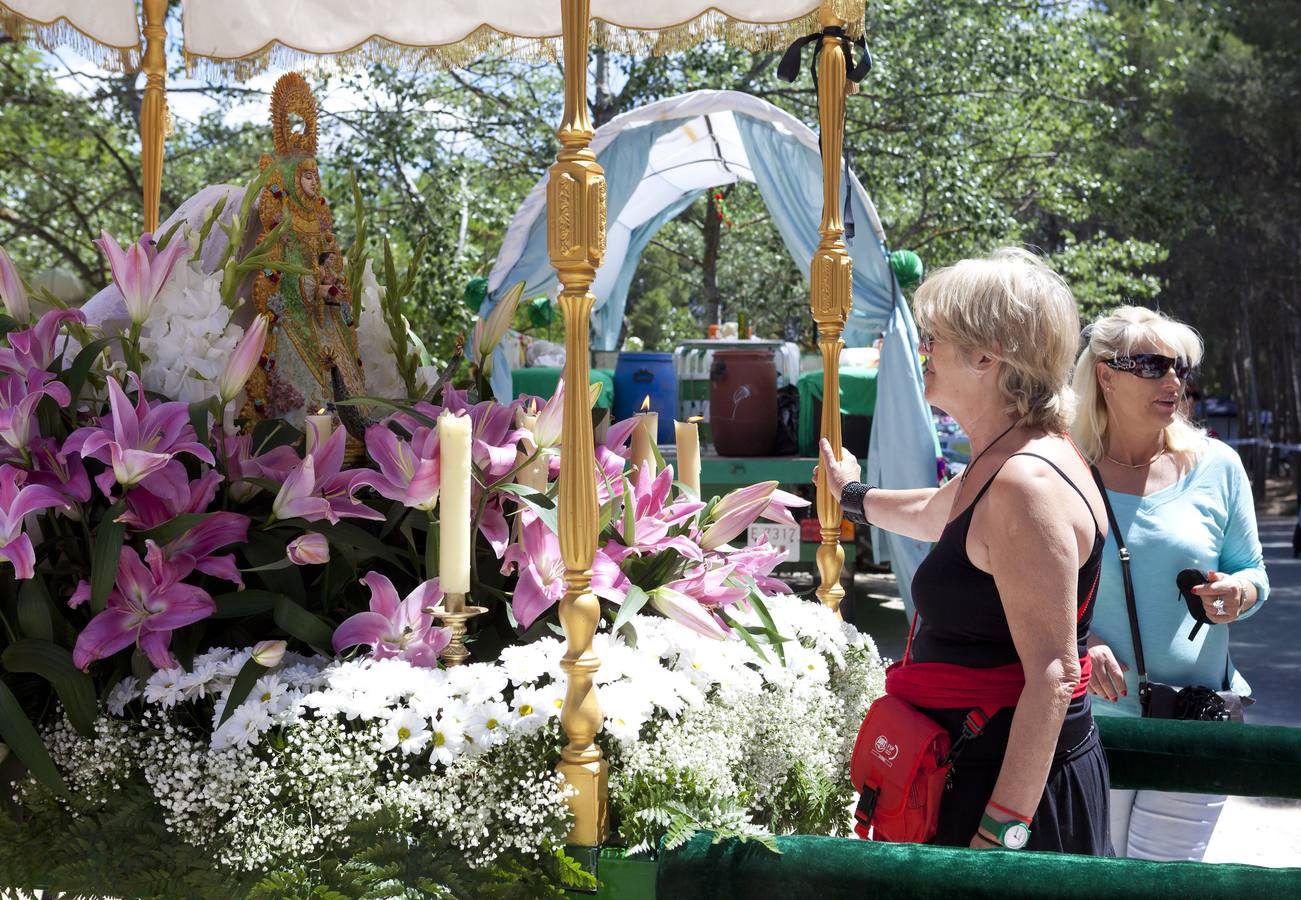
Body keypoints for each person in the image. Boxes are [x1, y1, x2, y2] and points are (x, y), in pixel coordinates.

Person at [820, 248, 1110, 854]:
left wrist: (997, 835)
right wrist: (852, 494)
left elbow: (1053, 676)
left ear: (987, 355)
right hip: (983, 766)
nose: (923, 350)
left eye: (935, 337)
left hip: (1003, 793)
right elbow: (936, 514)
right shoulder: (1012, 456)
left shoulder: (1024, 481)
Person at [1070, 305, 1270, 862]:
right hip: (1089, 724)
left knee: (1164, 881)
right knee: (1094, 878)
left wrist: (1240, 595)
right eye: (1154, 365)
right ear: (1106, 375)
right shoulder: (1061, 465)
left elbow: (1254, 573)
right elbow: (1021, 586)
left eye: (1179, 366)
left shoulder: (1219, 465)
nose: (1174, 380)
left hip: (1194, 717)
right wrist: (1079, 643)